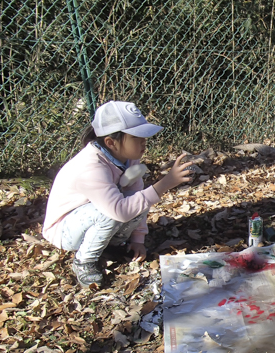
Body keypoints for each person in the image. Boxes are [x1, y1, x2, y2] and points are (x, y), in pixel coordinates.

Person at [42, 101, 193, 287]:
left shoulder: (130, 160)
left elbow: (139, 199)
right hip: (65, 230)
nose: (144, 141)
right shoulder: (91, 166)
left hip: (96, 219)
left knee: (139, 200)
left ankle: (112, 246)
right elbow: (119, 211)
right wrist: (165, 184)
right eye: (137, 137)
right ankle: (85, 261)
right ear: (111, 142)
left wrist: (138, 240)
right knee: (111, 211)